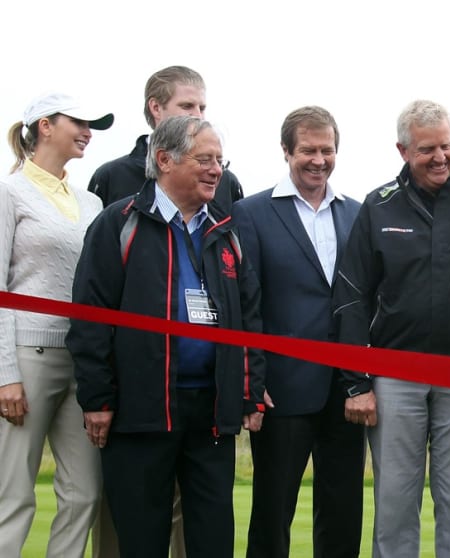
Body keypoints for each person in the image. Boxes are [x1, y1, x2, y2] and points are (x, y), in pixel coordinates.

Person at [66, 115, 266, 558]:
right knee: (142, 540)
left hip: (211, 411)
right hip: (141, 408)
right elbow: (90, 318)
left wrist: (249, 394)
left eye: (220, 159)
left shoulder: (227, 232)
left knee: (213, 539)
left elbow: (248, 319)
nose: (217, 170)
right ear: (164, 159)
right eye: (205, 159)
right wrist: (97, 399)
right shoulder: (119, 223)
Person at [332, 99, 450, 558]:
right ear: (402, 150)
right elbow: (352, 296)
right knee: (395, 503)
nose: (440, 157)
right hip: (395, 374)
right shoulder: (379, 206)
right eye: (427, 149)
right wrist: (356, 383)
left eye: (447, 145)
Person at [232, 106, 364, 558]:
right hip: (282, 389)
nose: (318, 159)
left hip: (347, 389)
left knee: (344, 512)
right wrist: (253, 377)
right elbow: (245, 305)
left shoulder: (357, 214)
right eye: (307, 149)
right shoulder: (250, 213)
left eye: (327, 150)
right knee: (272, 513)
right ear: (287, 151)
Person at [0, 92, 112, 558]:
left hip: (81, 362)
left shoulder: (90, 201)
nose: (88, 132)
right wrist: (6, 374)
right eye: (79, 122)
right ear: (44, 126)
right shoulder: (10, 192)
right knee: (13, 496)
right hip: (28, 358)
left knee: (84, 493)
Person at [87, 65, 243, 210]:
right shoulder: (112, 176)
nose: (197, 115)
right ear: (156, 108)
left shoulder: (225, 183)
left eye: (201, 108)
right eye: (187, 106)